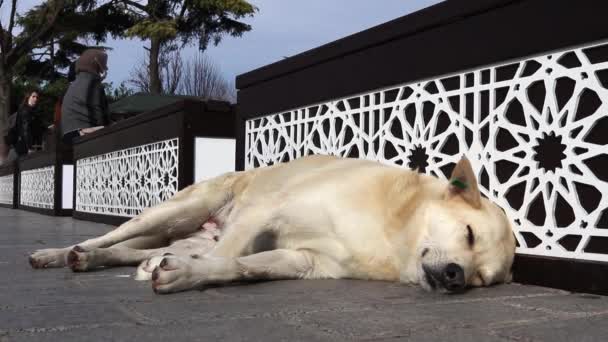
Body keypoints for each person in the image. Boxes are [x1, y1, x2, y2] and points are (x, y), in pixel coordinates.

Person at [60, 49, 110, 144]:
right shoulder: (93, 82)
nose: (101, 72)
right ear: (96, 65)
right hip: (84, 132)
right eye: (101, 69)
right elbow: (98, 112)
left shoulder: (73, 84)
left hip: (67, 134)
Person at [4, 91, 39, 160]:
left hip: (20, 145)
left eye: (37, 97)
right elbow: (25, 130)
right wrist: (29, 147)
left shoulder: (31, 112)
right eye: (33, 96)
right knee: (9, 167)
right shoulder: (25, 111)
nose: (36, 99)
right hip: (21, 145)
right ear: (28, 97)